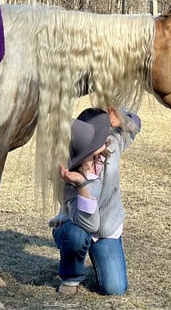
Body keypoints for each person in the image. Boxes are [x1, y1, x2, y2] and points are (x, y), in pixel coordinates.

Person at [48, 106, 141, 295]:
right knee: (75, 236)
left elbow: (135, 124)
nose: (103, 140)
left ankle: (100, 256)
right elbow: (90, 224)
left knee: (114, 289)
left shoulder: (111, 143)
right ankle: (71, 275)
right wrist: (81, 185)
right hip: (80, 225)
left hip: (108, 229)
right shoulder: (68, 180)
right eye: (97, 140)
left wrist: (121, 119)